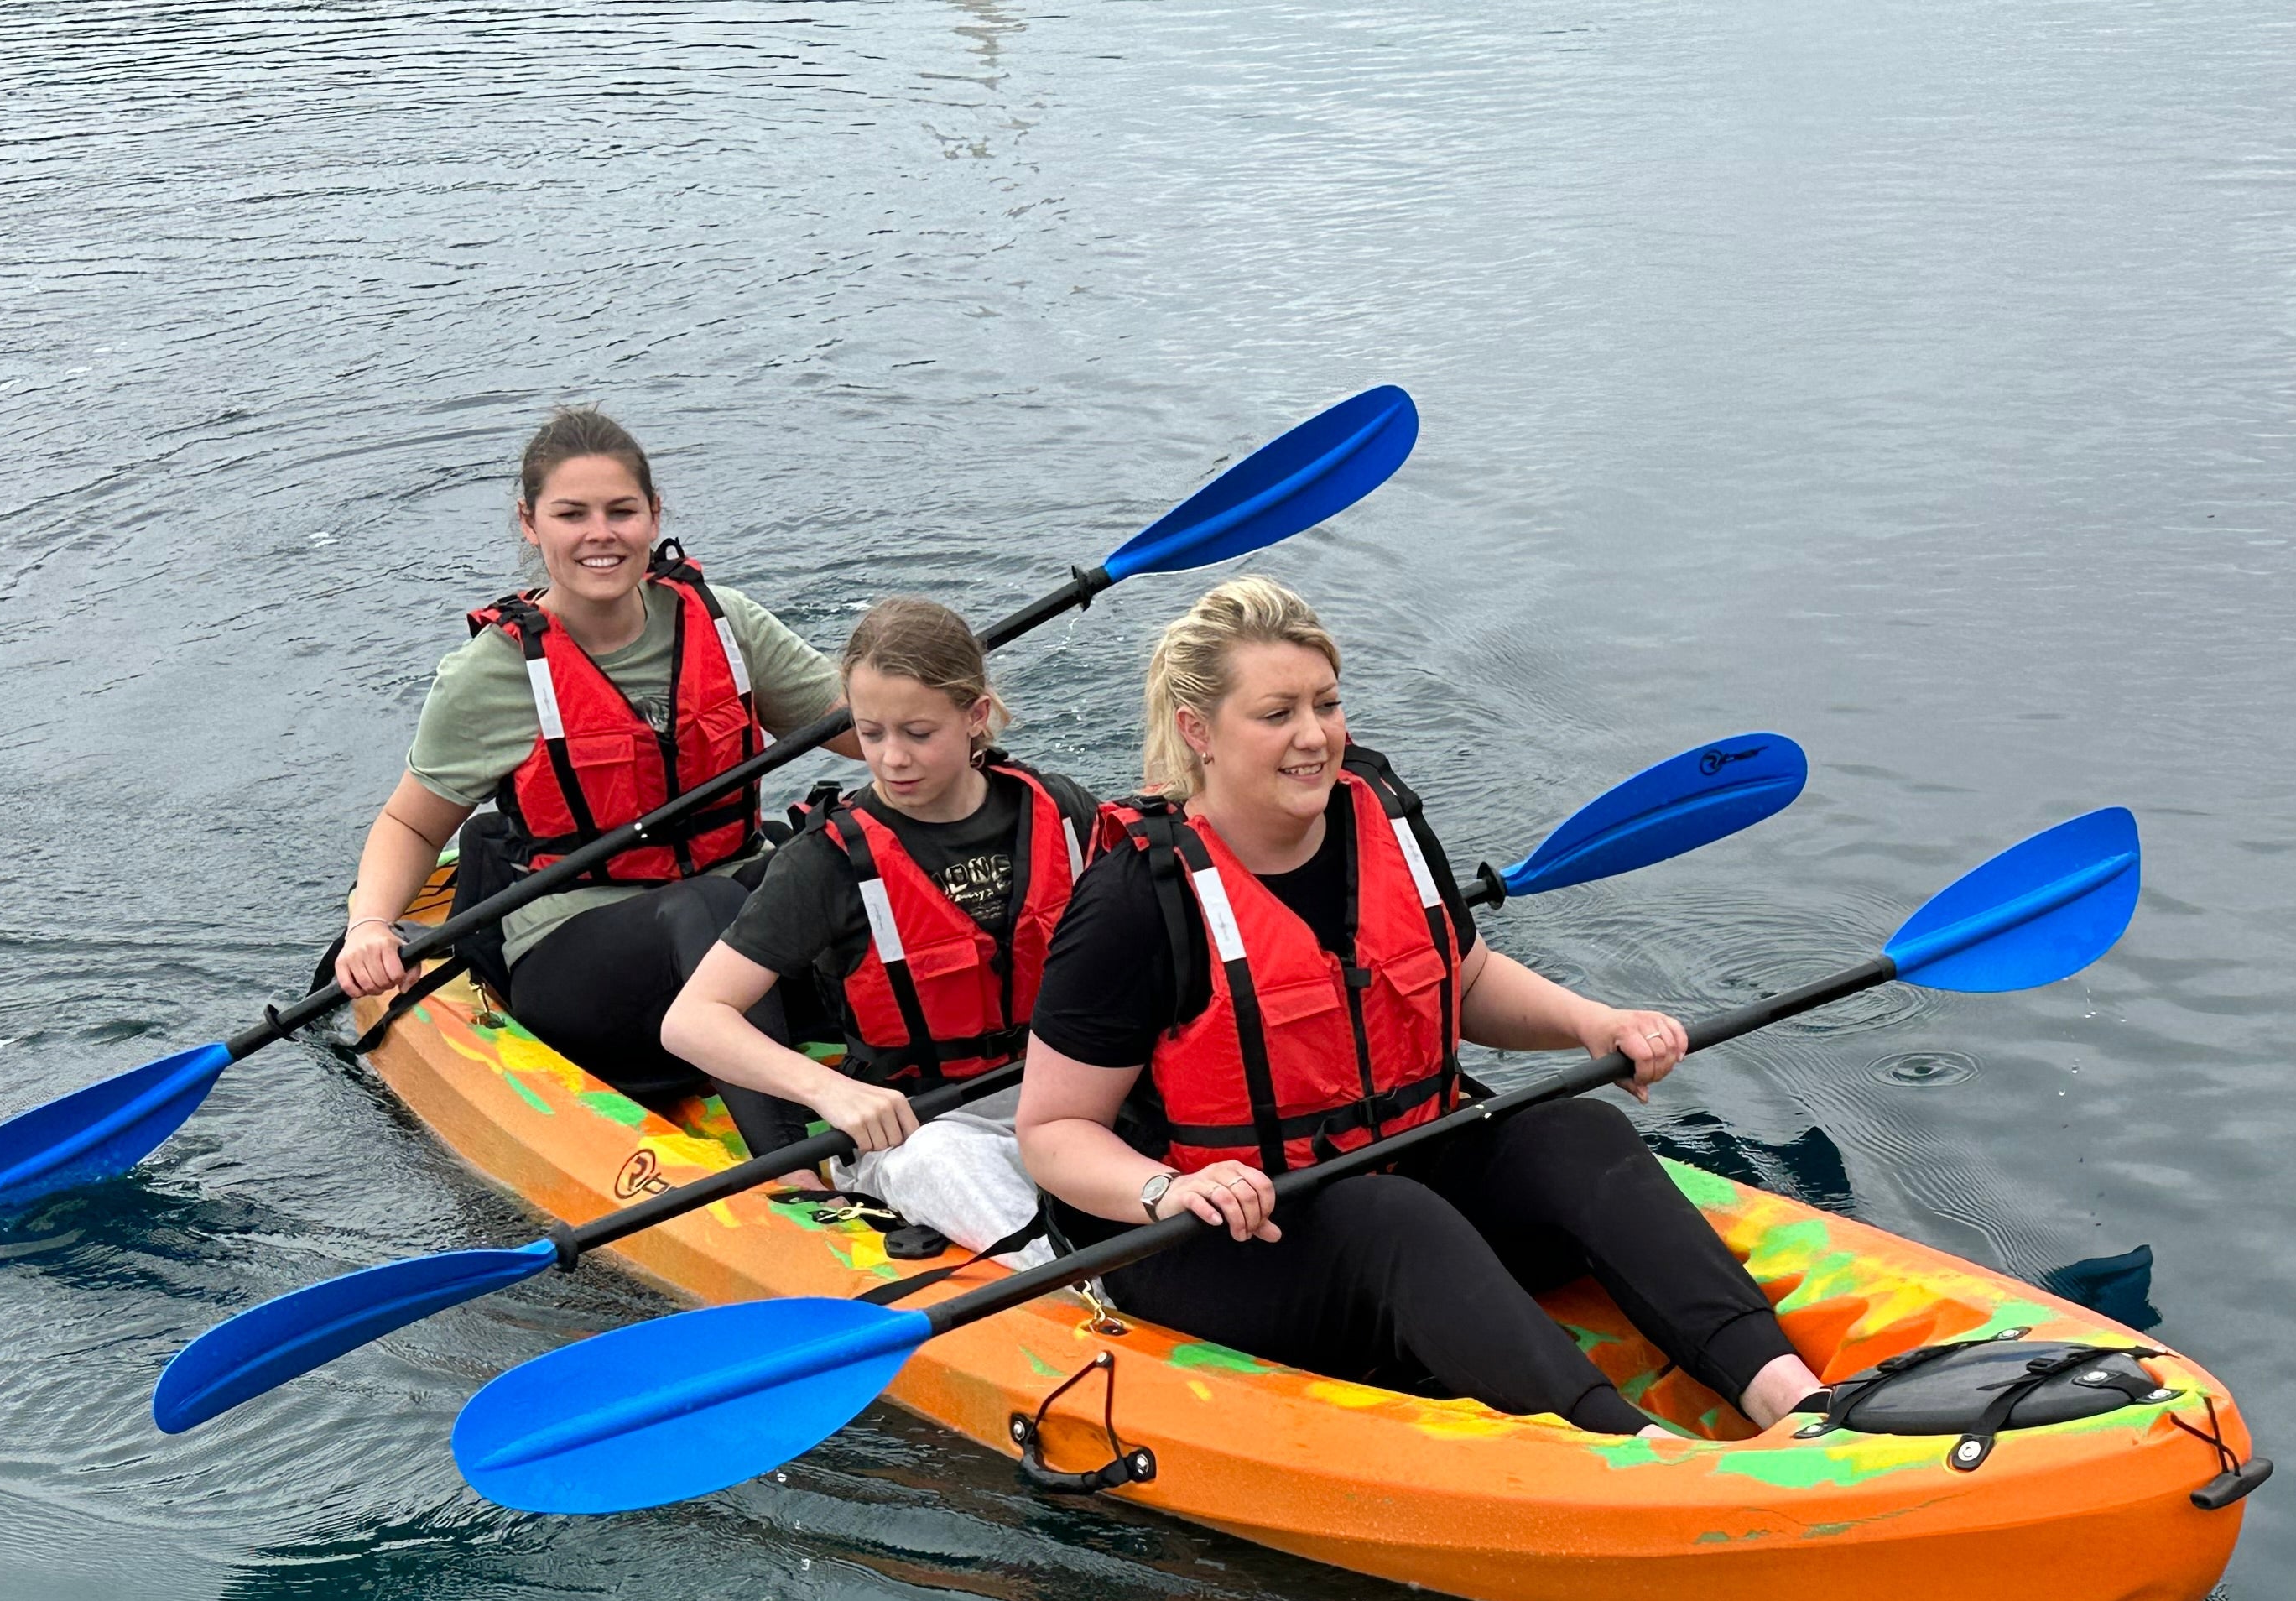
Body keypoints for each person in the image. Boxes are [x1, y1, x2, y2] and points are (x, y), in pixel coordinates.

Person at [1013, 576, 1824, 1439]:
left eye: (1326, 704)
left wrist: (1593, 1024)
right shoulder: (1137, 900)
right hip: (1224, 1246)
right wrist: (1170, 1189)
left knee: (1577, 1133)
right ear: (1197, 732)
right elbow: (1050, 1131)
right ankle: (1623, 1449)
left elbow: (1463, 979)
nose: (1314, 736)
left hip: (1404, 1175)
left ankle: (1790, 1396)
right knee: (1389, 1220)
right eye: (1276, 713)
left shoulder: (1384, 819)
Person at [331, 406, 852, 1119]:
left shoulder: (725, 622)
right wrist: (369, 925)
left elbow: (868, 730)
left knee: (856, 850)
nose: (599, 534)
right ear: (530, 522)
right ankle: (792, 1169)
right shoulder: (494, 674)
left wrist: (948, 737)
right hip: (581, 968)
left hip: (742, 930)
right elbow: (412, 826)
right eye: (572, 514)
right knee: (709, 906)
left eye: (621, 511)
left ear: (653, 514)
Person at [661, 597, 1098, 1258]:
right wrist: (830, 1091)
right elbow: (691, 1021)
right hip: (922, 1128)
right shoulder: (825, 863)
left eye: (918, 733)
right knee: (945, 1162)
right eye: (871, 734)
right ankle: (1079, 1306)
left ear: (976, 716)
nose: (891, 758)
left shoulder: (1061, 812)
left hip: (1072, 1099)